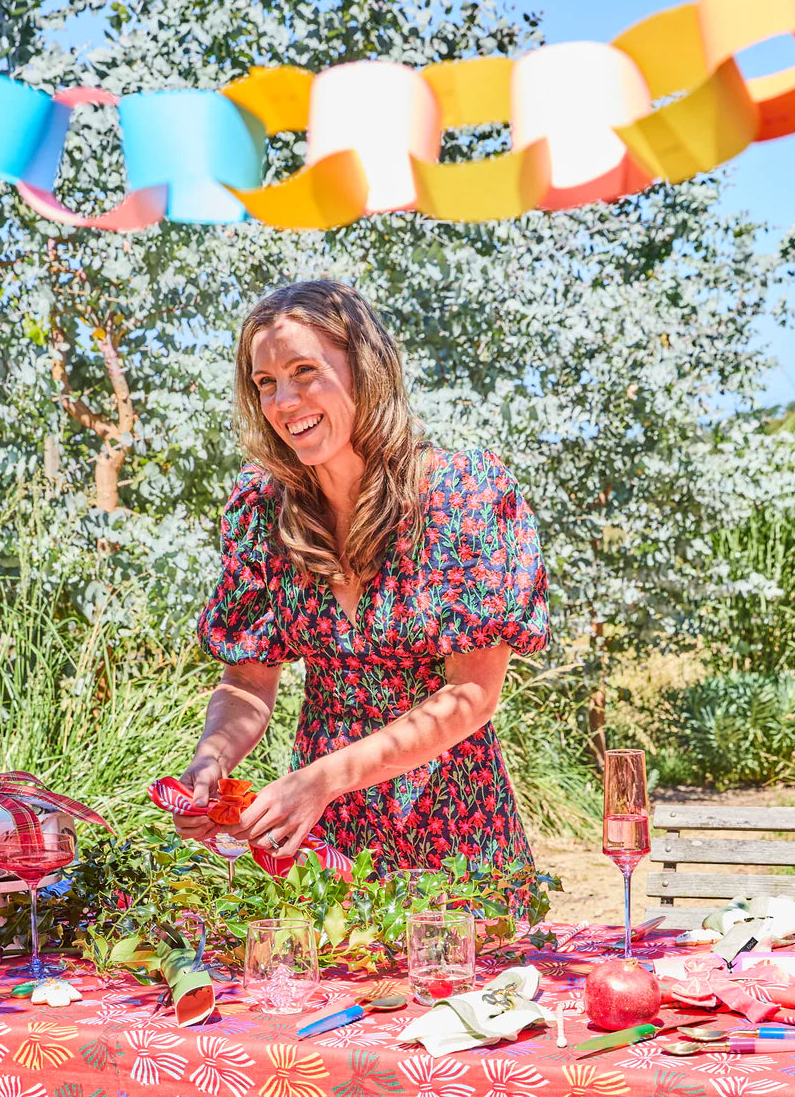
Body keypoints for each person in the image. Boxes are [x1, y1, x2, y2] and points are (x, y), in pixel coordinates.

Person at [173, 279, 550, 875]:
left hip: (456, 834)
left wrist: (323, 779)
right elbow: (248, 678)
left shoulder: (459, 495)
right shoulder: (263, 511)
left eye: (304, 371)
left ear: (365, 369)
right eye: (265, 383)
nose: (283, 401)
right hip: (325, 845)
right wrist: (210, 762)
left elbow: (473, 695)